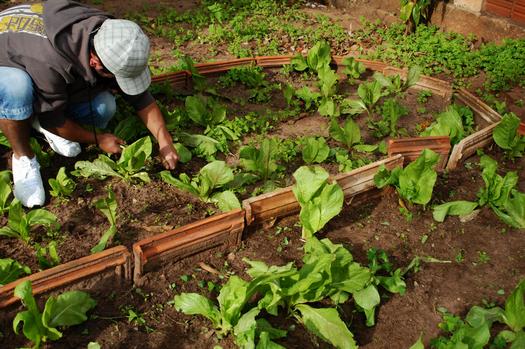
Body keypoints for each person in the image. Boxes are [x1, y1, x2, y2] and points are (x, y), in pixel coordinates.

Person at [0, 0, 179, 208]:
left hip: (39, 62)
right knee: (16, 88)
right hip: (7, 59)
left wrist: (164, 139)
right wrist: (97, 138)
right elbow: (53, 119)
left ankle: (38, 113)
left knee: (103, 108)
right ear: (95, 62)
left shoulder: (111, 34)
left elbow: (141, 98)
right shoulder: (52, 61)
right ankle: (23, 156)